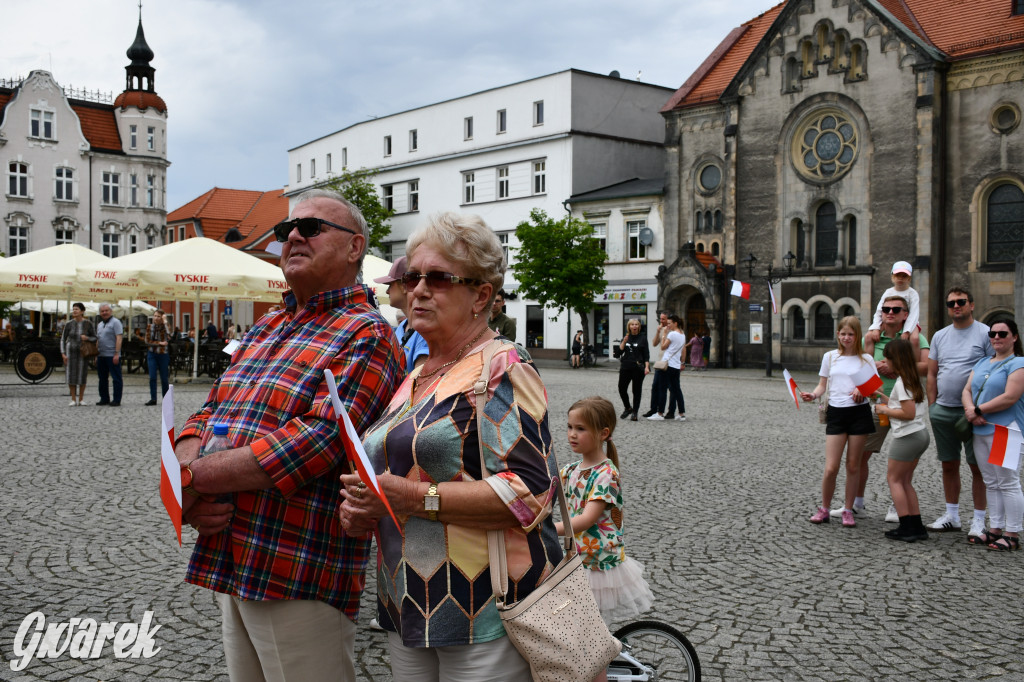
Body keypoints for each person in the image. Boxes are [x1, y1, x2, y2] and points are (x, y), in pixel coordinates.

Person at [175, 189, 403, 682]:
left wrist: (190, 478)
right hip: (233, 551)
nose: (293, 236)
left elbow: (312, 444)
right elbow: (209, 411)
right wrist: (187, 476)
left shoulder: (367, 333)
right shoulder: (267, 325)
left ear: (355, 247)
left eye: (312, 228)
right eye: (285, 230)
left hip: (297, 564)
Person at [337, 211, 561, 681]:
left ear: (481, 294)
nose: (417, 289)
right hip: (405, 606)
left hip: (485, 608)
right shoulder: (415, 374)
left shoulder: (502, 365)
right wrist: (366, 509)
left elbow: (531, 494)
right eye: (412, 275)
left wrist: (412, 497)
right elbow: (403, 474)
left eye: (437, 278)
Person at [555, 397, 653, 630]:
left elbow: (587, 519)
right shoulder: (570, 471)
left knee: (589, 632)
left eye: (580, 429)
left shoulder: (606, 474)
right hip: (577, 559)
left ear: (603, 433)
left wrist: (545, 529)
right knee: (573, 625)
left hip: (598, 565)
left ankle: (600, 666)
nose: (572, 434)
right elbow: (542, 491)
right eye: (569, 427)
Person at [834, 295, 930, 521]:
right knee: (860, 456)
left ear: (906, 314)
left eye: (896, 309)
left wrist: (896, 365)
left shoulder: (916, 338)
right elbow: (862, 364)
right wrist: (875, 367)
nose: (891, 312)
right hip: (878, 402)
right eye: (886, 308)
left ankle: (899, 507)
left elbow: (927, 367)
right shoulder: (872, 338)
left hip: (902, 404)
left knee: (903, 462)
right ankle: (857, 504)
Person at [926, 286, 993, 538]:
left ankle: (978, 520)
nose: (956, 306)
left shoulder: (986, 333)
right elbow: (932, 373)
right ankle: (952, 516)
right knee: (949, 465)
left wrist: (979, 408)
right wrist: (933, 407)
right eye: (951, 303)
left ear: (971, 305)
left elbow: (992, 372)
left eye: (961, 302)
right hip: (943, 410)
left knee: (978, 468)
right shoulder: (940, 336)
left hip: (975, 413)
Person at [800, 316, 878, 527]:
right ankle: (824, 508)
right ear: (838, 335)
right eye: (843, 334)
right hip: (836, 413)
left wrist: (862, 389)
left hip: (859, 414)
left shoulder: (866, 360)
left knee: (853, 465)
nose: (846, 338)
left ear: (857, 336)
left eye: (851, 334)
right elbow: (822, 385)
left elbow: (873, 390)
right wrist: (813, 395)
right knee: (831, 467)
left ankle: (847, 509)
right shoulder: (830, 357)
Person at [961, 318, 1024, 551]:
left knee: (1007, 481)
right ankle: (995, 528)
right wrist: (970, 411)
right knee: (991, 481)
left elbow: (1010, 396)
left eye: (1002, 334)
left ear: (1014, 337)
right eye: (993, 334)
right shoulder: (982, 362)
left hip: (1005, 430)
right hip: (981, 429)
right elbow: (967, 389)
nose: (996, 338)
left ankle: (1012, 532)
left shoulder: (1018, 363)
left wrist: (978, 410)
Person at [874, 339, 931, 542]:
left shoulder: (903, 381)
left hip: (907, 435)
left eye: (887, 358)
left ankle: (906, 526)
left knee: (895, 480)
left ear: (895, 359)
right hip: (919, 433)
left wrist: (883, 410)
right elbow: (903, 405)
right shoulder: (911, 377)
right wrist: (883, 398)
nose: (884, 361)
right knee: (905, 481)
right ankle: (916, 526)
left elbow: (907, 413)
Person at [374, 255, 428, 373]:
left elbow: (417, 383)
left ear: (405, 285)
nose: (387, 291)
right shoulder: (402, 326)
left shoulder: (425, 331)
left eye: (390, 284)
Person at [864, 260, 921, 356]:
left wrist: (907, 331)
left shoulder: (913, 293)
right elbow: (879, 311)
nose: (900, 279)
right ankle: (869, 364)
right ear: (892, 277)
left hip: (909, 321)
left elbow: (914, 314)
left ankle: (914, 365)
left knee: (914, 339)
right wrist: (876, 328)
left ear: (909, 278)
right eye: (897, 275)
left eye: (904, 276)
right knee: (869, 336)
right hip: (889, 320)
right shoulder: (888, 292)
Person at [648, 315, 686, 421]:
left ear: (675, 323)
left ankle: (660, 413)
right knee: (676, 389)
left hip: (667, 364)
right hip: (676, 365)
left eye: (669, 323)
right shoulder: (682, 334)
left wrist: (664, 334)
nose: (668, 325)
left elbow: (663, 346)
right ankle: (681, 413)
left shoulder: (672, 334)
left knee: (662, 388)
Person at [59, 302, 95, 406]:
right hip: (70, 352)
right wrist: (63, 353)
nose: (74, 311)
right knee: (71, 375)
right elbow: (63, 339)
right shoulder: (69, 324)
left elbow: (95, 337)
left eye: (77, 309)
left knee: (82, 375)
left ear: (82, 311)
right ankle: (73, 399)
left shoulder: (88, 324)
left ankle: (81, 399)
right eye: (73, 309)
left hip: (83, 353)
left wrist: (87, 338)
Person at [642, 312, 676, 419]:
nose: (661, 321)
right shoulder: (661, 329)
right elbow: (654, 343)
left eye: (663, 319)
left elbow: (666, 346)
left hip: (670, 363)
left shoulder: (674, 331)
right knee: (655, 386)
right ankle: (653, 409)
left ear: (668, 320)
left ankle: (670, 411)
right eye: (660, 319)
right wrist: (658, 332)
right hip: (660, 362)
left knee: (671, 388)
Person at [617, 318, 650, 421]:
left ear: (639, 327)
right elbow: (619, 353)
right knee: (621, 388)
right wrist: (623, 342)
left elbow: (646, 354)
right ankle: (628, 408)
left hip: (638, 368)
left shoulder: (643, 338)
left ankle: (635, 412)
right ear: (629, 326)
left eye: (636, 324)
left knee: (636, 391)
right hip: (625, 367)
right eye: (632, 324)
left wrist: (647, 367)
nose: (634, 326)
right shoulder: (626, 337)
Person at [95, 303, 124, 407]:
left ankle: (116, 399)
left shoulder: (116, 322)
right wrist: (96, 354)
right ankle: (104, 398)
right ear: (100, 313)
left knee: (116, 378)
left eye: (106, 310)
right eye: (102, 311)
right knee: (102, 378)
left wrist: (116, 353)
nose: (104, 313)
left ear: (111, 311)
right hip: (101, 355)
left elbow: (119, 338)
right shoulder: (99, 324)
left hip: (112, 355)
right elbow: (98, 339)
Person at [145, 310, 170, 406]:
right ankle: (153, 398)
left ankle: (166, 399)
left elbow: (169, 335)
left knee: (164, 378)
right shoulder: (149, 327)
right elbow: (147, 341)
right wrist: (160, 343)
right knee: (152, 377)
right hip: (152, 354)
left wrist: (165, 322)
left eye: (158, 316)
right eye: (154, 316)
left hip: (163, 354)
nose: (155, 318)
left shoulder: (165, 327)